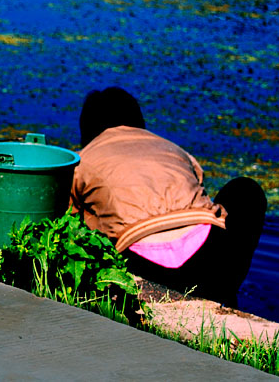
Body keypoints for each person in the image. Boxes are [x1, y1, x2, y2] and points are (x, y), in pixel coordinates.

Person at [70, 87, 267, 307]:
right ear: (139, 121)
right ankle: (223, 292)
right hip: (208, 258)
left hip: (142, 268)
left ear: (85, 128)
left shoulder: (80, 161)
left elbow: (71, 222)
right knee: (245, 189)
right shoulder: (176, 150)